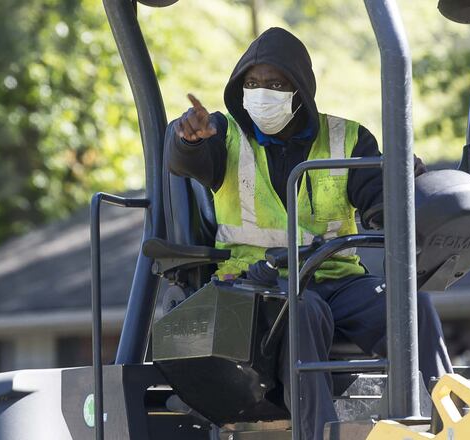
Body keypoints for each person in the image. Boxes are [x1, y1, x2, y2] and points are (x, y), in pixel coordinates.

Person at [169, 27, 451, 440]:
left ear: (299, 89)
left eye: (276, 84)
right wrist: (187, 140)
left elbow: (379, 204)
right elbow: (189, 160)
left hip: (338, 279)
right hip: (259, 285)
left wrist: (400, 185)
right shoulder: (222, 134)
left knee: (413, 306)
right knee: (305, 311)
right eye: (252, 83)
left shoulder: (347, 138)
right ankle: (317, 432)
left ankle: (449, 423)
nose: (262, 92)